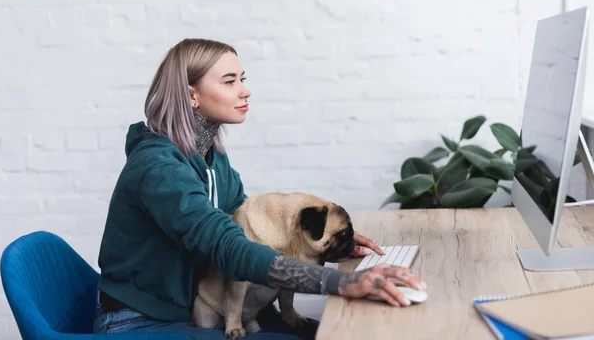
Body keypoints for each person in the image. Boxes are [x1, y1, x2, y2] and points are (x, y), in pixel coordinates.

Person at [93, 38, 428, 339]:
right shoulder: (159, 169)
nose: (245, 90)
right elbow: (228, 245)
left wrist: (336, 247)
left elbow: (244, 226)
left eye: (242, 79)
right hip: (138, 322)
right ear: (191, 94)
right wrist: (341, 283)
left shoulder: (212, 159)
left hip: (188, 311)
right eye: (229, 81)